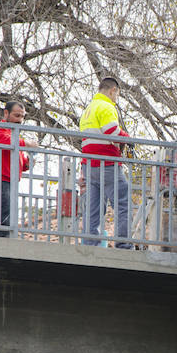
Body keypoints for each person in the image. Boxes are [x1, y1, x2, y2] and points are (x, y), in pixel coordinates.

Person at [78, 76, 133, 248]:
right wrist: (129, 139)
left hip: (90, 166)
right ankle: (123, 245)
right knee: (123, 204)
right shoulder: (107, 107)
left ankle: (90, 245)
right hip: (107, 164)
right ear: (113, 91)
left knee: (93, 209)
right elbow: (112, 132)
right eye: (117, 95)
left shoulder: (88, 109)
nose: (116, 99)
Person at [0, 101, 38, 237]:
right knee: (3, 221)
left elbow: (17, 158)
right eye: (16, 115)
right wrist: (26, 143)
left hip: (7, 181)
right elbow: (3, 141)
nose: (20, 120)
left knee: (5, 221)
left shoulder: (13, 135)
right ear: (6, 113)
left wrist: (27, 163)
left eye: (22, 117)